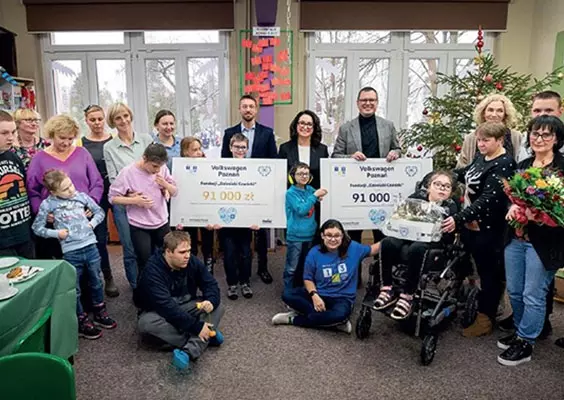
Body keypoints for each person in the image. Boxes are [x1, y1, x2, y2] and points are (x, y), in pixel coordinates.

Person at [498, 115, 564, 365]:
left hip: (545, 241)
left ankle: (526, 341)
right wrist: (513, 208)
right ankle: (520, 330)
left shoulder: (562, 167)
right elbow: (511, 197)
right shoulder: (523, 165)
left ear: (556, 139)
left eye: (546, 134)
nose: (539, 138)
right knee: (515, 290)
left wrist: (538, 213)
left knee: (533, 293)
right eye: (535, 133)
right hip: (516, 237)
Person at [442, 121, 516, 337]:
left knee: (489, 274)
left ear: (500, 140)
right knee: (465, 263)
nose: (481, 144)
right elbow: (466, 172)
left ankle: (485, 319)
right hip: (470, 225)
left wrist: (458, 218)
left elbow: (487, 200)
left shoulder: (504, 164)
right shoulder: (481, 156)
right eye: (479, 140)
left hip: (489, 230)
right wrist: (443, 177)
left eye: (486, 140)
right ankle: (461, 302)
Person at [32, 169, 116, 340]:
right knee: (74, 287)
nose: (71, 190)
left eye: (70, 185)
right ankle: (81, 319)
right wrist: (56, 233)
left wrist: (92, 224)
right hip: (71, 252)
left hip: (90, 247)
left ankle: (99, 311)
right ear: (53, 192)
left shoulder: (81, 196)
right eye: (65, 189)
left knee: (96, 281)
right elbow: (37, 228)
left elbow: (100, 212)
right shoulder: (48, 205)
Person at [373, 171, 459, 319]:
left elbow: (449, 233)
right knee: (388, 242)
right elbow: (401, 214)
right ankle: (387, 288)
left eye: (446, 186)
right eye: (437, 184)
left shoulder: (451, 206)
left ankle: (408, 295)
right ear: (429, 186)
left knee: (416, 248)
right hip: (409, 234)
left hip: (434, 241)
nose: (442, 188)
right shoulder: (417, 197)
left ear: (450, 192)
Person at [272, 219, 380, 333]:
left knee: (339, 314)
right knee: (287, 294)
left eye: (337, 235)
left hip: (342, 298)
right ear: (322, 236)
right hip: (319, 293)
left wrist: (392, 234)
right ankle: (334, 323)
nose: (333, 239)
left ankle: (294, 319)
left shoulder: (353, 248)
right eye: (329, 235)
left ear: (342, 236)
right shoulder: (314, 252)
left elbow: (374, 248)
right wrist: (314, 296)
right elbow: (308, 278)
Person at [136, 231, 224, 361]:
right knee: (146, 324)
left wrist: (210, 301)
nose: (187, 256)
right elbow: (166, 307)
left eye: (189, 251)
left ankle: (190, 348)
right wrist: (196, 327)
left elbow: (210, 284)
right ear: (168, 252)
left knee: (218, 306)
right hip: (159, 311)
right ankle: (205, 338)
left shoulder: (191, 261)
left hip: (186, 305)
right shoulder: (152, 271)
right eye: (182, 252)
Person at [27, 114, 103, 260]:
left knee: (89, 260)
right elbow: (32, 191)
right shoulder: (39, 159)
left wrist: (91, 203)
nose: (66, 143)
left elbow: (97, 182)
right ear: (52, 135)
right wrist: (41, 212)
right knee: (62, 261)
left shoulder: (82, 153)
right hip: (56, 221)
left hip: (82, 218)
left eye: (70, 138)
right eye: (62, 138)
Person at [332, 86, 401, 248]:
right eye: (364, 100)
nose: (368, 103)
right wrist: (350, 157)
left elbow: (398, 149)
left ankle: (380, 265)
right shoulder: (346, 129)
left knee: (382, 233)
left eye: (371, 100)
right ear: (358, 103)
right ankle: (354, 265)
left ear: (377, 103)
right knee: (354, 236)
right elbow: (335, 156)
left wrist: (395, 153)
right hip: (356, 190)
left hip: (381, 189)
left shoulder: (388, 126)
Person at [222, 95, 277, 285]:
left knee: (261, 231)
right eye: (244, 106)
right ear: (239, 109)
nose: (248, 109)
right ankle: (238, 271)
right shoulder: (229, 133)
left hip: (259, 190)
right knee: (238, 230)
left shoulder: (267, 133)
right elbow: (224, 160)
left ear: (256, 109)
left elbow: (274, 161)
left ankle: (263, 267)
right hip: (235, 190)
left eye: (251, 106)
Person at [103, 102, 153, 289]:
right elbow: (113, 178)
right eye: (118, 118)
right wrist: (131, 193)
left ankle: (153, 284)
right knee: (130, 249)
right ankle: (136, 286)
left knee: (150, 248)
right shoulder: (109, 147)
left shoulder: (146, 139)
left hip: (147, 202)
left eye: (125, 116)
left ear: (130, 116)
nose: (123, 120)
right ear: (113, 122)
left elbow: (155, 168)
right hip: (124, 203)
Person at [109, 143, 177, 276]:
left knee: (169, 258)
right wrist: (135, 201)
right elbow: (113, 198)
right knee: (145, 262)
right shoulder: (128, 172)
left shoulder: (162, 169)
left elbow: (174, 190)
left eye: (160, 166)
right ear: (144, 158)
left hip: (161, 221)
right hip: (139, 225)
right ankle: (144, 287)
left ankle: (167, 285)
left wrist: (166, 186)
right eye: (154, 166)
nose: (157, 170)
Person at [78, 105, 118, 297]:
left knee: (129, 235)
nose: (97, 123)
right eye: (92, 119)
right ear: (86, 121)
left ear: (105, 119)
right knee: (100, 239)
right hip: (95, 195)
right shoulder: (81, 143)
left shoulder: (114, 140)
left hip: (117, 191)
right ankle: (107, 276)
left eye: (100, 119)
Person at [220, 134, 260, 300]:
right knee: (229, 253)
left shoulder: (253, 168)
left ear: (247, 149)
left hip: (246, 220)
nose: (240, 150)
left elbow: (258, 192)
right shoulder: (220, 167)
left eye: (243, 147)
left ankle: (245, 282)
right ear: (230, 148)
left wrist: (258, 218)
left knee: (246, 253)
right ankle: (232, 284)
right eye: (236, 147)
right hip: (226, 219)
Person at [284, 162, 328, 291]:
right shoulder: (290, 193)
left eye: (306, 174)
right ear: (293, 176)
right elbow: (301, 210)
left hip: (310, 234)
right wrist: (314, 196)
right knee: (292, 267)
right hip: (295, 236)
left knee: (307, 265)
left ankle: (304, 289)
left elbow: (320, 196)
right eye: (300, 174)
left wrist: (321, 195)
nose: (304, 176)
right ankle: (288, 291)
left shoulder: (309, 189)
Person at [176, 137, 215, 273]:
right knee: (190, 242)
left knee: (207, 241)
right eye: (194, 150)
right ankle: (191, 269)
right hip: (188, 210)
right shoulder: (178, 168)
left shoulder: (208, 166)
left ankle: (208, 267)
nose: (199, 152)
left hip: (205, 208)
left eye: (200, 149)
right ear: (185, 152)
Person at [0, 110, 34, 258]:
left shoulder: (13, 156)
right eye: (4, 133)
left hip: (24, 233)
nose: (10, 137)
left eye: (13, 132)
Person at [457, 93, 521, 168]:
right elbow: (462, 167)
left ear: (505, 115)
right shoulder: (471, 138)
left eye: (499, 111)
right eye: (490, 110)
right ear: (483, 113)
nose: (494, 115)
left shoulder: (516, 137)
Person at [278, 110, 329, 190]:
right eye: (302, 123)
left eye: (309, 124)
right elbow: (281, 176)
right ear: (296, 125)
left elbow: (325, 177)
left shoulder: (322, 150)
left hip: (315, 194)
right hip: (292, 195)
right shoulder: (285, 148)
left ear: (314, 127)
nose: (305, 127)